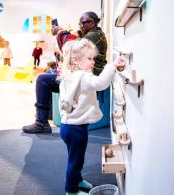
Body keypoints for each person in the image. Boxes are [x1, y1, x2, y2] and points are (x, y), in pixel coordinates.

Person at [59, 39, 125, 195]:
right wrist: (112, 66)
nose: (93, 62)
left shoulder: (69, 76)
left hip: (67, 126)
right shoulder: (84, 77)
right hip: (76, 129)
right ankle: (71, 191)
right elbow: (101, 83)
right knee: (75, 161)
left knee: (74, 157)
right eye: (89, 59)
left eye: (93, 58)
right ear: (76, 60)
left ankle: (78, 180)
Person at [22, 11, 107, 134]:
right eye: (80, 24)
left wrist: (60, 32)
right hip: (85, 75)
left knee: (42, 80)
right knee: (49, 75)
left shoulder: (94, 35)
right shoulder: (96, 35)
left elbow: (72, 47)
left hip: (85, 77)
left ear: (92, 23)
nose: (80, 26)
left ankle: (41, 123)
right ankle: (45, 118)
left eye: (83, 23)